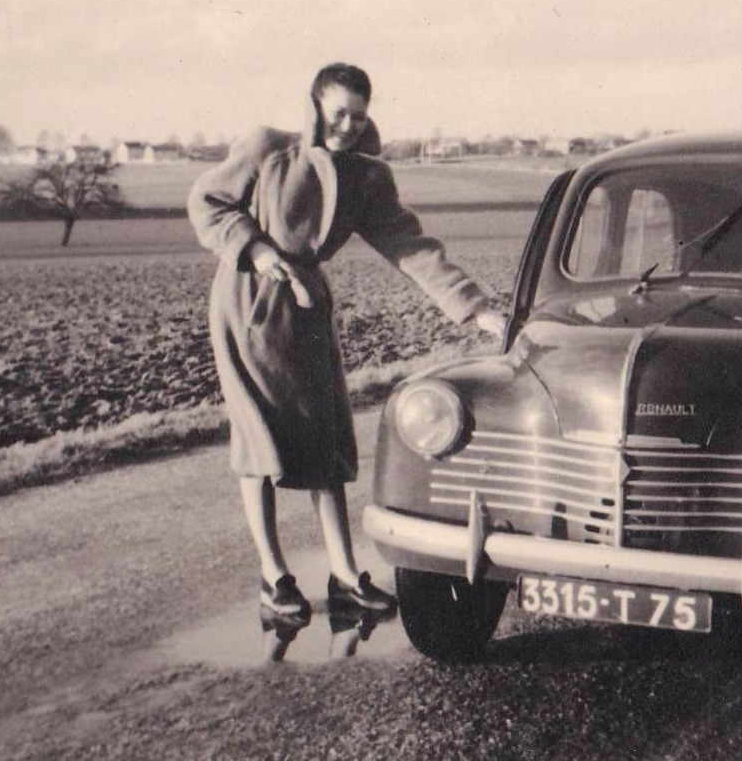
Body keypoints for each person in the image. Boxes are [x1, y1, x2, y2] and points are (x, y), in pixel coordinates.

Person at [188, 63, 506, 619]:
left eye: (358, 115)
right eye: (337, 113)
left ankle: (343, 576)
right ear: (314, 106)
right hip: (248, 303)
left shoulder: (366, 177)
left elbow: (410, 246)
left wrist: (475, 310)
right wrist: (257, 251)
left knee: (327, 441)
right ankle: (274, 578)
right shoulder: (267, 148)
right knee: (259, 443)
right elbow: (207, 201)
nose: (347, 126)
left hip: (308, 309)